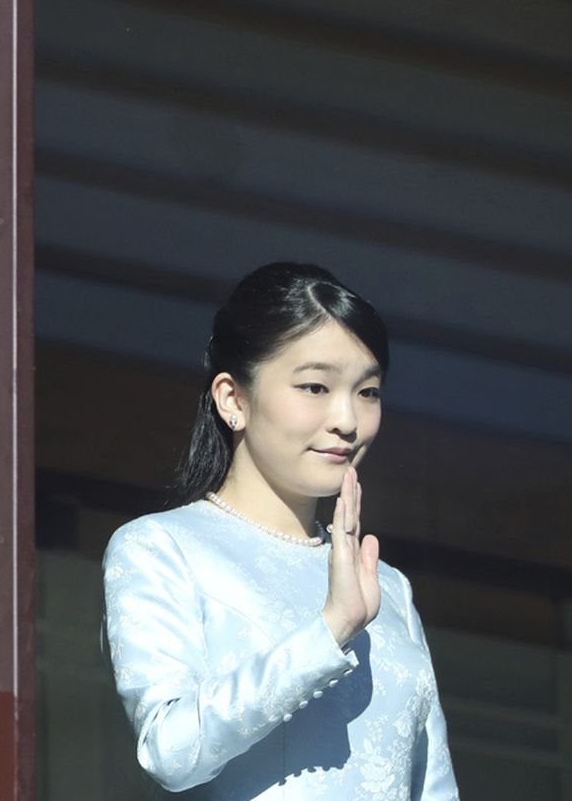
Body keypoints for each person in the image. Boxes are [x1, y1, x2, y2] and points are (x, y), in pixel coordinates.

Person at [102, 262, 458, 798]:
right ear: (232, 399)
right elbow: (169, 751)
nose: (347, 419)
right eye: (315, 386)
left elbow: (433, 786)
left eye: (368, 391)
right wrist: (330, 630)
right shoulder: (161, 549)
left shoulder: (389, 588)